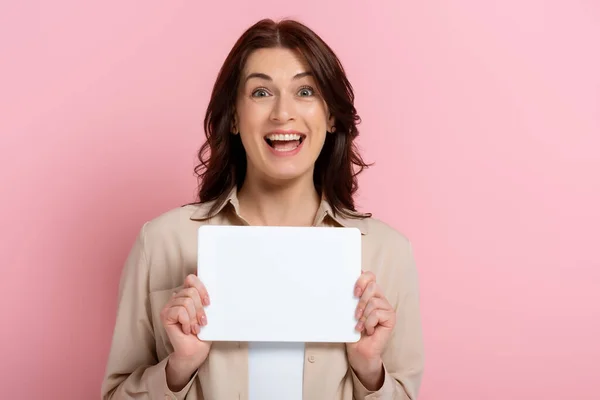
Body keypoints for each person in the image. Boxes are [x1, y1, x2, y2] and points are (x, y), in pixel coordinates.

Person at [101, 18, 424, 400]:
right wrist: (179, 367)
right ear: (234, 116)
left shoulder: (388, 252)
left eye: (305, 90)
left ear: (331, 115)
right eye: (260, 93)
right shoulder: (160, 242)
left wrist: (369, 370)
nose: (282, 113)